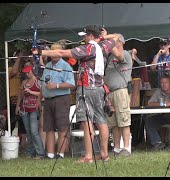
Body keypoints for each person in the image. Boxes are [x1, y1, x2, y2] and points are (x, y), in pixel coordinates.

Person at [32, 25, 123, 162]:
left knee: (87, 122)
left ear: (92, 36)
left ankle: (88, 156)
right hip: (99, 89)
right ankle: (104, 154)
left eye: (85, 36)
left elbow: (62, 54)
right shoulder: (104, 46)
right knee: (101, 121)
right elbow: (116, 36)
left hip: (86, 88)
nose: (84, 38)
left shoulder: (87, 49)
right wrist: (103, 37)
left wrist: (41, 53)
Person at [36, 42, 75, 159]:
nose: (52, 54)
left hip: (61, 99)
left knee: (62, 127)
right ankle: (50, 154)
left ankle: (61, 153)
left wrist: (56, 86)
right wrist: (39, 98)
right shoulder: (47, 65)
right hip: (47, 99)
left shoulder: (66, 66)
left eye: (55, 52)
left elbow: (71, 84)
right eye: (51, 52)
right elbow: (43, 84)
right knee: (49, 127)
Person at [104, 33, 132, 157]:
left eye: (114, 41)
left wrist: (105, 39)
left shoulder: (125, 53)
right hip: (110, 92)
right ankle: (116, 148)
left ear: (121, 42)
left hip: (120, 91)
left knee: (123, 120)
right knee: (113, 122)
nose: (112, 44)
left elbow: (119, 55)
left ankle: (126, 148)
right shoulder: (110, 57)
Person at [145, 73, 170, 151]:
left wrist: (161, 104)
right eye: (162, 83)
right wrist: (163, 104)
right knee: (149, 120)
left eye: (166, 82)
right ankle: (157, 143)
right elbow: (149, 103)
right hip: (163, 115)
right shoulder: (158, 91)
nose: (163, 85)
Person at [15, 65, 45, 159]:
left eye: (29, 72)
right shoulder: (24, 82)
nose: (27, 74)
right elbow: (20, 95)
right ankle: (30, 152)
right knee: (28, 132)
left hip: (34, 109)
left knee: (34, 131)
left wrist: (31, 92)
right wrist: (17, 106)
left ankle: (40, 153)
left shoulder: (38, 82)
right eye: (26, 72)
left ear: (33, 71)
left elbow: (43, 94)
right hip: (24, 108)